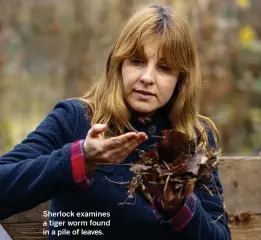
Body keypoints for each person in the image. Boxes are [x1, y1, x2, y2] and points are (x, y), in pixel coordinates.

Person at [0, 4, 231, 240]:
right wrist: (81, 159)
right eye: (138, 61)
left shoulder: (193, 137)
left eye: (164, 68)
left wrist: (179, 208)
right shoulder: (76, 118)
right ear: (118, 64)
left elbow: (219, 235)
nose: (147, 78)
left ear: (181, 79)